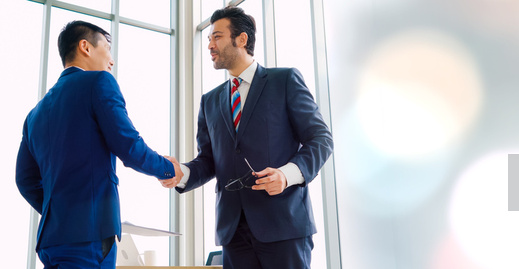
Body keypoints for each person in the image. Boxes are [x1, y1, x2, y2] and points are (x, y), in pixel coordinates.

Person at [174, 6, 333, 269]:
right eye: (209, 39)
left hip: (284, 225)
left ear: (242, 39)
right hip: (233, 231)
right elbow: (209, 160)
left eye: (217, 37)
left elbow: (321, 139)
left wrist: (286, 174)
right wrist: (183, 172)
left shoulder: (285, 81)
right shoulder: (209, 101)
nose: (210, 45)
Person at [15, 20, 183, 269]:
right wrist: (169, 169)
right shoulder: (98, 82)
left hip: (51, 241)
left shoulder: (35, 114)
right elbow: (128, 146)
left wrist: (63, 212)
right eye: (107, 47)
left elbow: (25, 180)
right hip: (88, 241)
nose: (111, 61)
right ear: (86, 47)